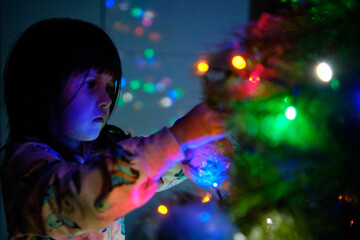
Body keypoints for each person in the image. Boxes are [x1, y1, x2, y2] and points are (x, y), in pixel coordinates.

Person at [0, 18, 230, 240]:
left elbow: (142, 170)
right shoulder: (25, 164)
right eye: (90, 84)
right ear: (43, 89)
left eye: (109, 87)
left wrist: (189, 154)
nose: (106, 100)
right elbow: (82, 200)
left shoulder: (103, 148)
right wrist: (176, 139)